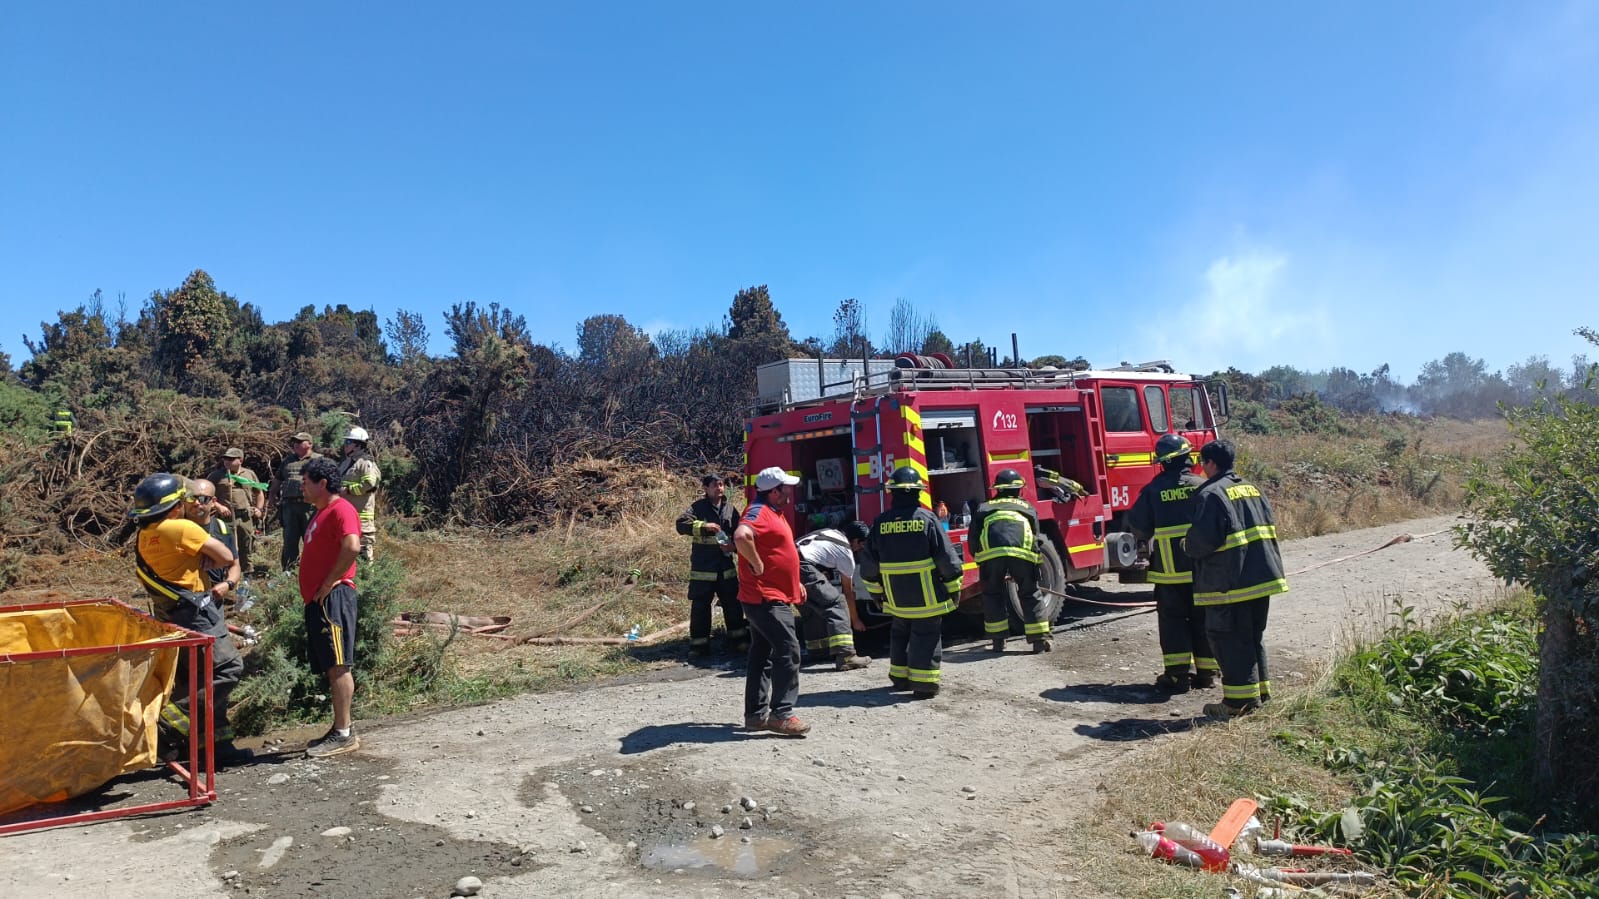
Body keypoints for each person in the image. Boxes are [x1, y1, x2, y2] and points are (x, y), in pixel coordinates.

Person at [127, 473, 250, 764]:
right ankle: (168, 724)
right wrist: (211, 558)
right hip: (197, 614)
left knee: (200, 677)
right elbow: (224, 556)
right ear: (174, 506)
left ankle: (215, 748)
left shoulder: (145, 535)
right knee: (228, 668)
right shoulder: (181, 528)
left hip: (173, 614)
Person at [1184, 439, 1289, 720]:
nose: (1201, 468)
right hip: (1261, 578)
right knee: (1252, 638)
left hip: (1229, 584)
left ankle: (1237, 704)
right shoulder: (1252, 488)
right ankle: (1260, 694)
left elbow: (1202, 542)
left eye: (1202, 463)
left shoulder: (1211, 495)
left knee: (1228, 639)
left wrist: (1186, 544)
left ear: (1211, 464)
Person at [858, 466, 964, 699]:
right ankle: (924, 684)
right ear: (918, 493)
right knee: (925, 635)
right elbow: (947, 560)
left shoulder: (881, 523)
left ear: (892, 493)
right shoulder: (927, 519)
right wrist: (954, 589)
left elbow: (868, 565)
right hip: (927, 597)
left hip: (896, 598)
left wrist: (877, 594)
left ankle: (899, 678)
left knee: (900, 634)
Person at [1125, 434, 1218, 693]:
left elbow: (1139, 527)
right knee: (1203, 618)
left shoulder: (1153, 490)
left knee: (1173, 621)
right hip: (1201, 570)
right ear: (1188, 457)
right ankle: (1207, 673)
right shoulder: (1202, 486)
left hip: (1168, 572)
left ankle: (1178, 676)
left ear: (1163, 463)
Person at [732, 467, 810, 737]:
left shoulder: (774, 512)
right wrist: (755, 563)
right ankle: (782, 715)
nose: (789, 492)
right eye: (785, 488)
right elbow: (742, 536)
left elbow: (779, 551)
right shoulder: (757, 511)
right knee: (789, 651)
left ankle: (755, 716)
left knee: (762, 654)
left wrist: (794, 581)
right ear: (774, 491)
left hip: (771, 594)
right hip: (765, 597)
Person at [298, 457, 364, 758]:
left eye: (306, 481)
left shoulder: (341, 509)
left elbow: (352, 547)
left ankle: (344, 733)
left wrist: (328, 583)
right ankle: (339, 727)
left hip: (333, 598)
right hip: (319, 600)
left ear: (322, 483)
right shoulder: (321, 513)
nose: (302, 487)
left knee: (339, 664)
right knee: (330, 665)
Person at [971, 468, 1053, 654]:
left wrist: (980, 560)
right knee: (1030, 593)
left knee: (992, 595)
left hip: (991, 556)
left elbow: (973, 539)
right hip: (1023, 554)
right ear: (1018, 489)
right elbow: (1035, 537)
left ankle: (998, 642)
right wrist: (1035, 564)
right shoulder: (1027, 508)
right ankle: (1039, 641)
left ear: (997, 489)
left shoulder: (984, 508)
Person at [674, 474, 750, 657]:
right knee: (700, 608)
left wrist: (734, 546)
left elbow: (738, 532)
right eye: (715, 485)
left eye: (722, 485)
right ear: (706, 489)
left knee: (733, 606)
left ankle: (739, 641)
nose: (719, 488)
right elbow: (681, 525)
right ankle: (699, 646)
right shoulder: (698, 507)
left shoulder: (730, 509)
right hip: (703, 569)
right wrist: (704, 526)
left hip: (725, 567)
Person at [795, 521, 873, 671]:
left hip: (786, 564)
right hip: (802, 565)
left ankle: (818, 651)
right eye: (862, 544)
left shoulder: (828, 533)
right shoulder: (846, 552)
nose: (861, 548)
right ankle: (846, 656)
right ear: (855, 541)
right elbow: (848, 592)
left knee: (811, 608)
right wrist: (855, 620)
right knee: (837, 603)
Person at [205, 448, 266, 577]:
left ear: (240, 460)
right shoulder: (216, 475)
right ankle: (225, 574)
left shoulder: (249, 474)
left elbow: (259, 493)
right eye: (225, 458)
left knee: (246, 545)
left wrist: (259, 509)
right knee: (224, 546)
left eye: (231, 459)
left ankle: (246, 574)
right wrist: (218, 506)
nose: (227, 461)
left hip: (244, 517)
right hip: (225, 518)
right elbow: (206, 495)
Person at [268, 431, 323, 571]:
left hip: (310, 507)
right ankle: (289, 571)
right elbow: (278, 480)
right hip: (289, 506)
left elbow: (326, 482)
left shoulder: (319, 460)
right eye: (294, 442)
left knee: (312, 540)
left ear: (310, 444)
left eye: (300, 442)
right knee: (289, 540)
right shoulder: (288, 460)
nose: (296, 445)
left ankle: (314, 569)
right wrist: (272, 496)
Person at [335, 426, 383, 561]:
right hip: (346, 516)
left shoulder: (365, 462)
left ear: (357, 445)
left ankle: (368, 580)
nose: (345, 445)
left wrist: (348, 490)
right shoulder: (346, 463)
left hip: (362, 518)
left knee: (363, 554)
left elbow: (369, 484)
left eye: (348, 442)